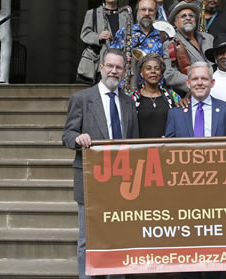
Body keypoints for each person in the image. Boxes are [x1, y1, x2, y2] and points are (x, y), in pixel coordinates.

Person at [62, 48, 138, 279]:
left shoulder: (128, 103)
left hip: (122, 181)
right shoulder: (82, 99)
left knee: (118, 237)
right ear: (101, 68)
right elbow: (67, 134)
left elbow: (134, 143)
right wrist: (77, 138)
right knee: (89, 238)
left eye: (119, 67)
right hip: (91, 180)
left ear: (124, 72)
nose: (114, 71)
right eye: (110, 66)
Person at [165, 61, 226, 137]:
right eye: (195, 79)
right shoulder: (175, 113)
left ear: (212, 83)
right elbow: (169, 145)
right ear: (188, 83)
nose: (200, 83)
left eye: (204, 79)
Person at [79, 0, 129, 83]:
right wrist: (98, 36)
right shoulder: (92, 13)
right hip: (100, 62)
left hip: (121, 62)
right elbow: (84, 34)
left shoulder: (126, 15)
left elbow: (131, 36)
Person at [110, 0, 163, 90]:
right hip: (125, 88)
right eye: (143, 9)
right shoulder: (123, 32)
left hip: (154, 90)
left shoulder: (162, 35)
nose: (147, 13)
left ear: (156, 13)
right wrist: (122, 59)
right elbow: (110, 59)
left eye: (151, 10)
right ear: (137, 11)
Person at [163, 1, 214, 96]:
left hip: (216, 89)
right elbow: (170, 74)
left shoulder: (209, 38)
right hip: (191, 95)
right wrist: (195, 84)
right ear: (175, 22)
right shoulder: (171, 43)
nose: (188, 18)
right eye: (183, 16)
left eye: (191, 16)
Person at [127, 53, 180, 138]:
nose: (153, 71)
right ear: (141, 73)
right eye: (148, 68)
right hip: (140, 149)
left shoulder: (172, 96)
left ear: (161, 73)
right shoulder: (132, 98)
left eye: (157, 68)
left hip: (165, 148)